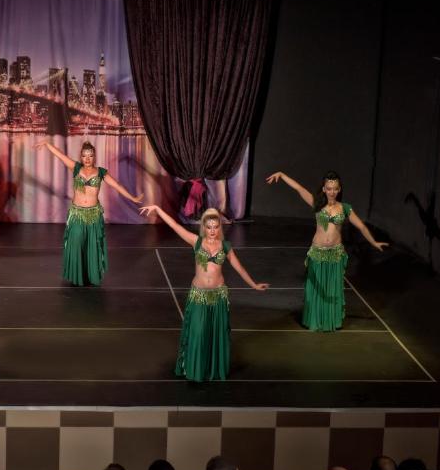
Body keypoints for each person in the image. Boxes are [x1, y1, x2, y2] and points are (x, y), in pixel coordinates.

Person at [139, 205, 268, 380]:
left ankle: (212, 369)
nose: (212, 230)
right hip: (198, 295)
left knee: (215, 334)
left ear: (219, 227)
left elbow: (239, 268)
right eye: (209, 227)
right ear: (204, 228)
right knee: (198, 332)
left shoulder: (225, 246)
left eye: (215, 226)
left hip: (218, 296)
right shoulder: (196, 242)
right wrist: (157, 209)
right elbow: (175, 226)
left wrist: (254, 285)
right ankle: (195, 368)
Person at [265, 170, 388, 331]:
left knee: (332, 290)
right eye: (329, 188)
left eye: (335, 188)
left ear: (339, 189)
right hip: (317, 253)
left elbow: (361, 226)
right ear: (324, 189)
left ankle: (331, 321)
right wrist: (282, 175)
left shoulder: (345, 208)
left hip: (335, 254)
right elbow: (299, 189)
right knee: (316, 289)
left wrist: (373, 242)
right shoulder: (317, 204)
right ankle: (315, 320)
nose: (332, 192)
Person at [36, 140, 143, 286]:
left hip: (93, 215)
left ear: (94, 157)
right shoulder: (75, 168)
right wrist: (48, 144)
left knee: (92, 246)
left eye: (90, 156)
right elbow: (60, 156)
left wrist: (133, 198)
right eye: (84, 156)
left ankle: (90, 275)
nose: (87, 159)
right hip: (77, 214)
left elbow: (117, 185)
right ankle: (77, 275)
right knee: (76, 243)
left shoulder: (101, 172)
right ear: (81, 157)